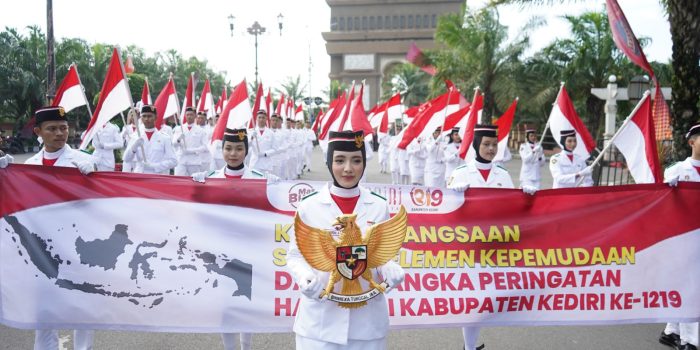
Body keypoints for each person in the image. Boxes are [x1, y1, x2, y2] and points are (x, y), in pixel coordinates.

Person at [287, 130, 405, 349]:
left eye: (356, 160)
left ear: (364, 163)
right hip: (319, 322)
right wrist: (304, 277)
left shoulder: (379, 206)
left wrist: (390, 268)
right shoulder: (309, 206)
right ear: (329, 162)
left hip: (367, 322)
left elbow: (382, 256)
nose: (348, 168)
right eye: (340, 160)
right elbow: (295, 255)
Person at [0, 106, 96, 350]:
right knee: (43, 311)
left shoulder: (83, 162)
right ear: (38, 132)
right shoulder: (29, 165)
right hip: (41, 247)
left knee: (81, 307)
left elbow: (99, 205)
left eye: (63, 128)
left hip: (77, 246)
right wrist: (6, 175)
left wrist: (94, 180)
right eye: (52, 129)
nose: (60, 133)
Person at [446, 124, 534, 350]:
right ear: (476, 144)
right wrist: (453, 194)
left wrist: (525, 196)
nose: (491, 149)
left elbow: (512, 210)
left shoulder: (503, 175)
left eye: (494, 144)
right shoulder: (460, 173)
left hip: (496, 248)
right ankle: (469, 346)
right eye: (486, 144)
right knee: (473, 301)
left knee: (488, 301)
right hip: (469, 247)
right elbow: (444, 212)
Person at [191, 127, 278, 350]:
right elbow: (195, 212)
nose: (233, 153)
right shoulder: (209, 179)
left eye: (239, 148)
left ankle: (246, 347)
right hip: (219, 253)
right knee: (224, 307)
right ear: (222, 150)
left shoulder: (259, 180)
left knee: (245, 304)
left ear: (246, 151)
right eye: (228, 148)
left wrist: (276, 187)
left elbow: (274, 209)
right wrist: (194, 189)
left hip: (249, 253)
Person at [660, 123, 699, 350]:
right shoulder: (676, 170)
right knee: (690, 285)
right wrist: (669, 188)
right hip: (684, 236)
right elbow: (662, 202)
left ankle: (671, 330)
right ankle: (690, 341)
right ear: (691, 142)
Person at [123, 105, 178, 174]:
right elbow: (126, 159)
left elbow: (174, 161)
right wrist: (133, 148)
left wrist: (155, 166)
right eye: (144, 116)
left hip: (157, 176)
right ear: (141, 118)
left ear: (155, 118)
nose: (146, 119)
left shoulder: (164, 138)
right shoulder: (136, 136)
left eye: (149, 116)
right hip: (140, 174)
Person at [172, 107, 208, 176]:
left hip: (194, 160)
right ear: (185, 115)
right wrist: (178, 139)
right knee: (179, 181)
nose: (189, 117)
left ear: (195, 116)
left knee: (195, 182)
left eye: (191, 115)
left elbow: (205, 147)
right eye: (187, 115)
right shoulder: (179, 129)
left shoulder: (200, 130)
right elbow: (174, 144)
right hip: (181, 160)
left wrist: (191, 150)